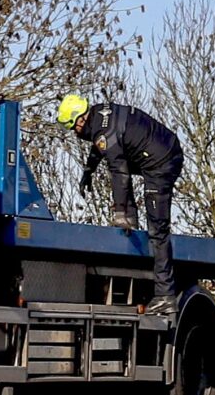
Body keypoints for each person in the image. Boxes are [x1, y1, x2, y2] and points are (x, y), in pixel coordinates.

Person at [57, 95, 184, 316]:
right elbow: (102, 146)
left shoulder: (102, 131)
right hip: (158, 149)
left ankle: (165, 296)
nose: (75, 133)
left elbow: (120, 171)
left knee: (158, 231)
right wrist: (89, 170)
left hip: (161, 162)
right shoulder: (99, 115)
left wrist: (119, 212)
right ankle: (131, 216)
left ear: (80, 120)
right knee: (117, 161)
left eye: (72, 128)